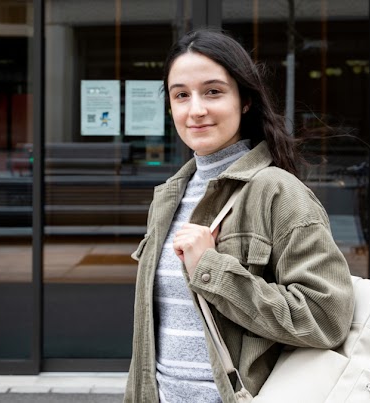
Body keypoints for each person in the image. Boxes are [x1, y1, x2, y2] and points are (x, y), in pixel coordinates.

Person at [125, 29, 354, 403]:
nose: (195, 109)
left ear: (245, 100)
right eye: (181, 95)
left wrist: (212, 269)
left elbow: (326, 317)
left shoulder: (279, 193)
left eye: (213, 92)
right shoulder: (170, 197)